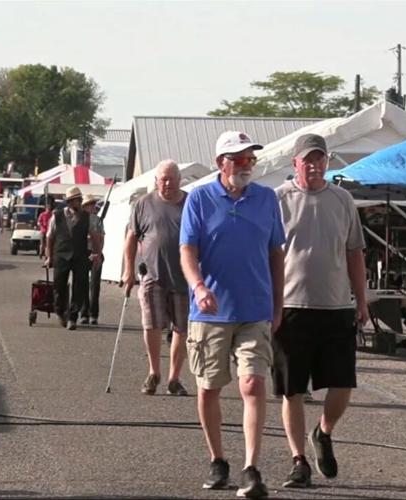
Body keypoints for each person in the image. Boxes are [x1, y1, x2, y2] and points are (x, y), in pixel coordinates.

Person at [180, 131, 285, 498]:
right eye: (239, 159)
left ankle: (252, 468)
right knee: (209, 387)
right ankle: (218, 460)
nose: (246, 166)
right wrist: (198, 286)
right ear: (220, 163)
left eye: (251, 159)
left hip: (255, 308)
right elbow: (187, 251)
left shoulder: (267, 199)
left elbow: (276, 254)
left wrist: (278, 303)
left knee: (253, 383)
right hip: (210, 312)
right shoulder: (200, 198)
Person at [273, 133, 369, 489]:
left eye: (320, 159)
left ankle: (324, 431)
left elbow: (355, 252)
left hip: (335, 306)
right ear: (294, 163)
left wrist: (361, 300)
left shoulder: (343, 200)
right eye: (307, 160)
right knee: (292, 389)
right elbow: (266, 253)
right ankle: (298, 461)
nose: (314, 165)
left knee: (342, 384)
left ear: (327, 162)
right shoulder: (278, 200)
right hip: (290, 307)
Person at [123, 160, 190, 397]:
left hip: (184, 277)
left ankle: (174, 377)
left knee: (182, 328)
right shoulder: (144, 204)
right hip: (152, 274)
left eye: (171, 178)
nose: (167, 183)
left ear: (180, 180)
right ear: (156, 181)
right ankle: (154, 372)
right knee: (151, 323)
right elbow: (131, 238)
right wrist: (128, 270)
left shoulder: (191, 202)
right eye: (163, 179)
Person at [44, 187, 103, 330]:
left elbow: (95, 236)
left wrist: (96, 253)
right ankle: (60, 311)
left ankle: (73, 317)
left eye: (81, 200)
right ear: (71, 202)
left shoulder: (86, 217)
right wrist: (49, 257)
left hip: (80, 255)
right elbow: (50, 237)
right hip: (61, 254)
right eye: (79, 200)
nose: (81, 203)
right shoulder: (56, 216)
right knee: (59, 286)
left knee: (80, 286)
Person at [80, 195, 105, 325]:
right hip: (83, 253)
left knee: (95, 285)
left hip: (96, 253)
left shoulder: (98, 220)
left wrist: (98, 253)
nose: (92, 206)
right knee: (83, 284)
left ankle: (94, 314)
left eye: (93, 204)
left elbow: (102, 237)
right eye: (89, 204)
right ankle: (84, 313)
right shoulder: (79, 219)